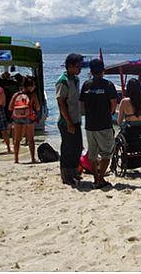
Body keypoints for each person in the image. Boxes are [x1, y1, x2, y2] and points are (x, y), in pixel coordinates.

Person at [80, 58, 117, 188]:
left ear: (90, 71)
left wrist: (88, 114)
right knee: (107, 152)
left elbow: (82, 105)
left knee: (93, 153)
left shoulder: (86, 85)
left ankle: (96, 178)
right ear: (103, 71)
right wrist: (109, 114)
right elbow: (113, 104)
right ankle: (101, 177)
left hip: (90, 124)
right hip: (104, 123)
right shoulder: (108, 85)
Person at [56, 53, 83, 186]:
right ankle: (66, 175)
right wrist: (69, 122)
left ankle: (74, 171)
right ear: (70, 66)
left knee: (77, 147)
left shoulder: (76, 80)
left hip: (76, 118)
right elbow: (61, 103)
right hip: (66, 121)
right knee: (68, 148)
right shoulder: (63, 81)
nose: (80, 69)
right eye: (78, 66)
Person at [8, 76, 40, 164]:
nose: (34, 87)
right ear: (30, 86)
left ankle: (16, 159)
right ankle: (33, 158)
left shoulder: (16, 95)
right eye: (33, 86)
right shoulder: (33, 95)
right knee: (30, 139)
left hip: (17, 118)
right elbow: (38, 108)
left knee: (17, 139)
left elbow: (10, 108)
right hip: (29, 117)